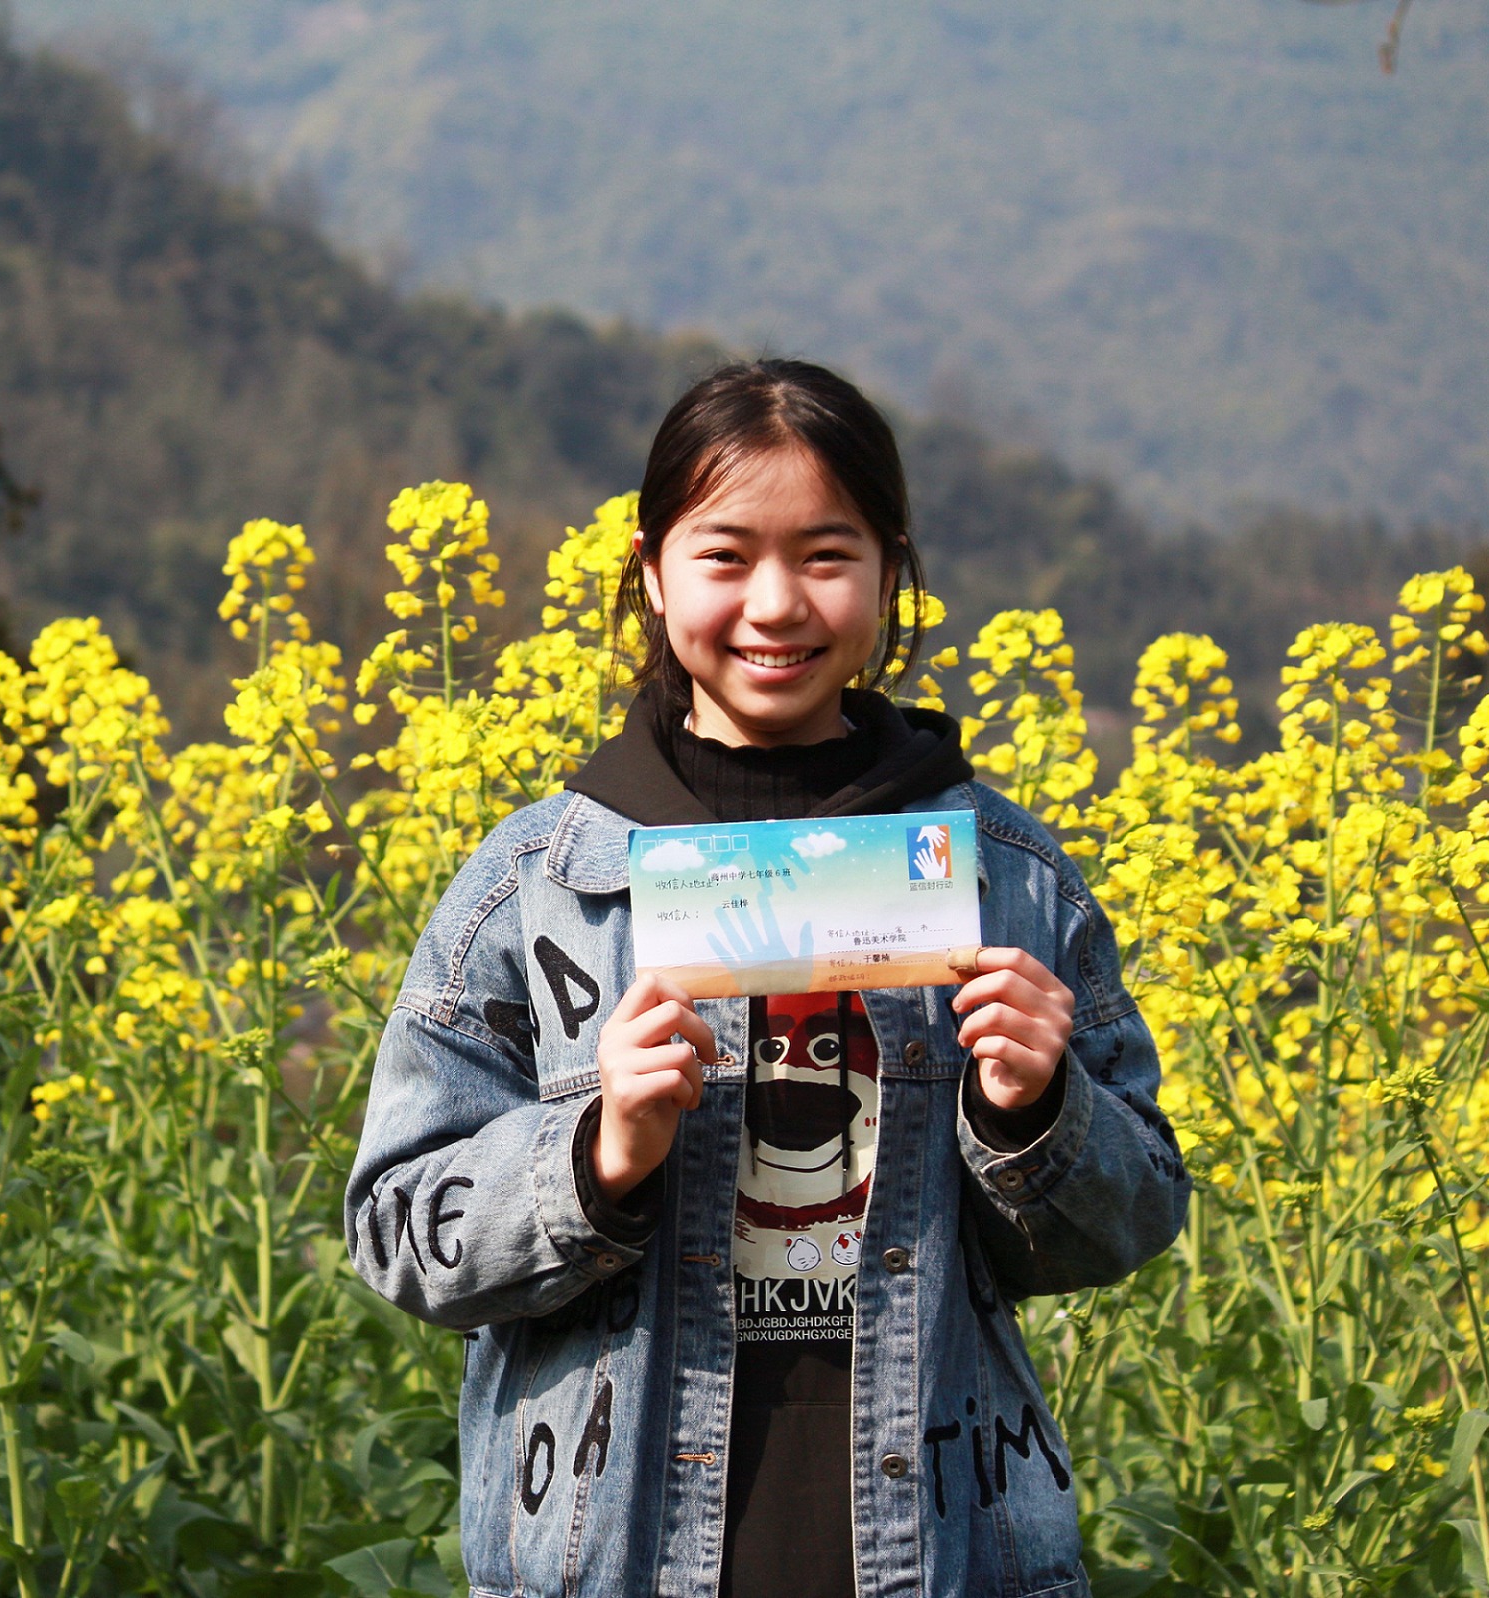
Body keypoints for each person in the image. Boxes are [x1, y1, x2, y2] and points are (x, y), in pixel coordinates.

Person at [344, 358, 1189, 1598]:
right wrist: (596, 1151)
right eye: (726, 556)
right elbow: (397, 1234)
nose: (776, 604)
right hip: (613, 1549)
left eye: (827, 556)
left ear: (893, 570)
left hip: (940, 1549)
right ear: (651, 569)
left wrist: (1037, 1108)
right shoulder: (538, 879)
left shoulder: (1003, 874)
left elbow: (1141, 1210)